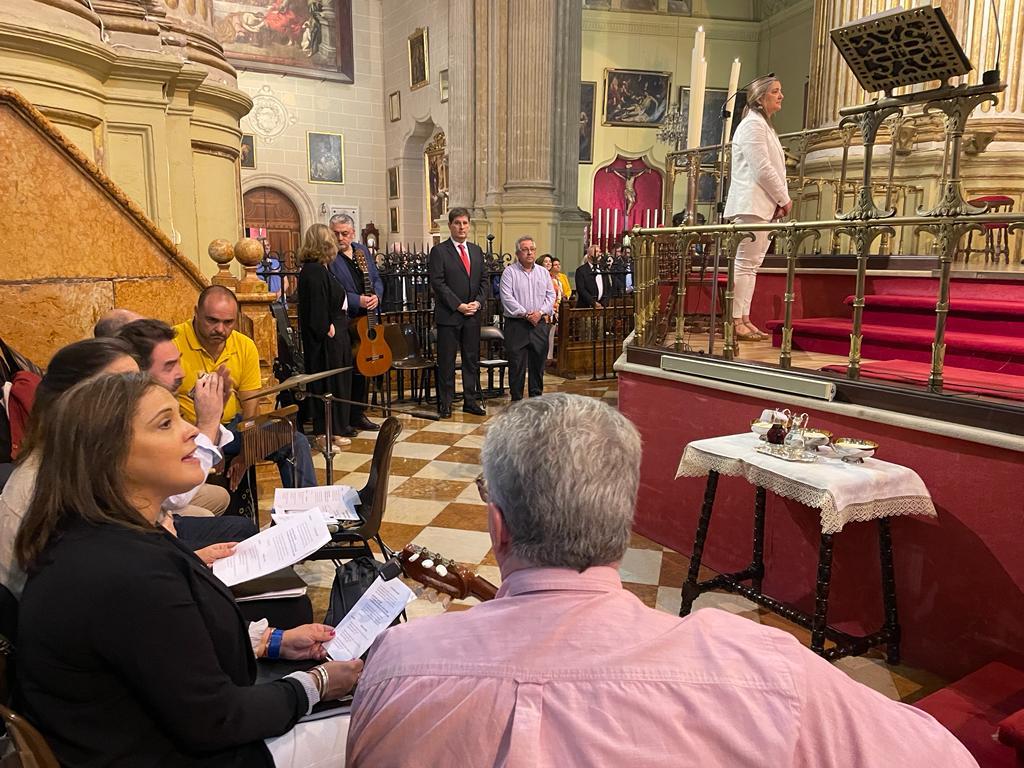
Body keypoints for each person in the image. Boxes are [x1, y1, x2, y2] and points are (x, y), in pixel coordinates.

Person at [347, 394, 980, 768]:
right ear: (623, 526)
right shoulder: (766, 674)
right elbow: (947, 758)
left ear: (498, 527)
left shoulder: (398, 666)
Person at [14, 372, 362, 766]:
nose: (192, 431)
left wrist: (275, 641)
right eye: (165, 423)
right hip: (179, 752)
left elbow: (171, 659)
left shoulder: (105, 533)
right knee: (389, 718)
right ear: (108, 454)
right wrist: (316, 684)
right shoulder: (125, 572)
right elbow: (215, 717)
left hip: (167, 734)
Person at [0, 338, 251, 599]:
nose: (138, 393)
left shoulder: (77, 457)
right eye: (121, 387)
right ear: (82, 404)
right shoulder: (64, 482)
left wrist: (181, 553)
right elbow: (116, 584)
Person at [173, 286, 316, 489]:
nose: (220, 329)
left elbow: (251, 409)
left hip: (232, 427)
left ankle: (304, 514)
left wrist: (246, 455)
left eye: (228, 322)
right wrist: (212, 445)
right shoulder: (173, 342)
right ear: (196, 313)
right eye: (212, 320)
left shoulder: (245, 345)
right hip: (189, 431)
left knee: (295, 441)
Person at [117, 318, 234, 518]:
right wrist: (208, 424)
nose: (181, 373)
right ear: (138, 371)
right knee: (224, 523)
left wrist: (215, 414)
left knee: (220, 496)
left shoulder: (160, 399)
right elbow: (177, 496)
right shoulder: (135, 414)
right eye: (169, 366)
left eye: (179, 361)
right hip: (133, 513)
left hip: (162, 496)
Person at [723, 75, 792, 342]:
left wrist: (777, 200)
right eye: (775, 91)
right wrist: (783, 198)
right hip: (751, 203)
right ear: (760, 98)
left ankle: (744, 318)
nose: (781, 95)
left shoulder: (763, 125)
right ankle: (735, 320)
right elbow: (762, 168)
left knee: (752, 265)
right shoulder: (752, 125)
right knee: (744, 264)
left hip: (761, 204)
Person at [297, 223, 353, 451]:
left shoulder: (321, 269)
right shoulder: (314, 271)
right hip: (325, 343)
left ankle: (335, 431)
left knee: (337, 385)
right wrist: (326, 328)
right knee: (326, 386)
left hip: (335, 337)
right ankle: (323, 433)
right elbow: (316, 309)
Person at [428, 207, 487, 418]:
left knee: (471, 360)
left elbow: (484, 281)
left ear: (469, 225)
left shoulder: (476, 250)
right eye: (457, 223)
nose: (461, 227)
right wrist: (458, 305)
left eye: (465, 223)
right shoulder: (440, 251)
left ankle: (470, 401)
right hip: (450, 316)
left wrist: (477, 303)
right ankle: (446, 402)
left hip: (472, 315)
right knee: (447, 361)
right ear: (450, 225)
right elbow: (438, 283)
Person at [327, 213, 382, 434]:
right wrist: (355, 299)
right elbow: (333, 288)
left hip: (367, 318)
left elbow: (377, 278)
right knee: (348, 369)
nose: (340, 238)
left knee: (365, 367)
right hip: (345, 321)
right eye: (336, 233)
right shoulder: (329, 256)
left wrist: (377, 296)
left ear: (352, 233)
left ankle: (359, 414)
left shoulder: (361, 250)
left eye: (345, 233)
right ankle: (344, 418)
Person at [499, 236, 555, 402]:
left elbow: (551, 295)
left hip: (539, 325)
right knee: (516, 365)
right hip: (517, 325)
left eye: (532, 249)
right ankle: (516, 399)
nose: (529, 252)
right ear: (517, 253)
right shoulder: (509, 272)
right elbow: (507, 297)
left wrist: (540, 312)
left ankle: (536, 399)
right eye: (525, 249)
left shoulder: (543, 272)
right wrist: (526, 314)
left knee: (538, 364)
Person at [537, 254, 560, 366]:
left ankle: (549, 358)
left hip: (554, 309)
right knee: (542, 335)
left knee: (550, 335)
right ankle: (542, 357)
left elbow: (558, 293)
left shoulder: (554, 278)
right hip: (542, 310)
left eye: (550, 261)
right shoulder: (539, 276)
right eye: (546, 261)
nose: (549, 263)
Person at [575, 245, 605, 309]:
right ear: (589, 255)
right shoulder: (581, 271)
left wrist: (603, 303)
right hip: (586, 307)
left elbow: (608, 288)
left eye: (600, 251)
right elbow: (581, 290)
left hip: (602, 307)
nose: (599, 254)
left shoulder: (603, 270)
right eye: (596, 251)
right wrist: (593, 303)